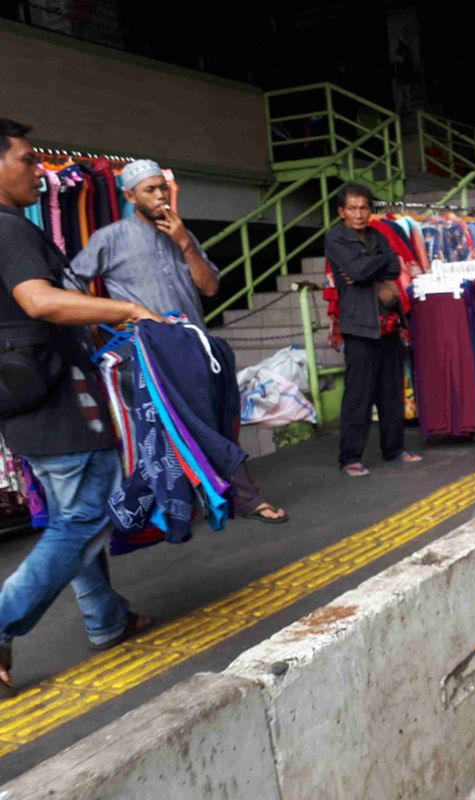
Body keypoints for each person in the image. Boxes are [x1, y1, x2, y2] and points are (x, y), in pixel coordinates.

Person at [0, 119, 161, 694]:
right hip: (57, 402)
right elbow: (39, 301)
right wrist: (126, 312)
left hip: (29, 403)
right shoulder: (10, 230)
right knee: (84, 518)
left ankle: (106, 621)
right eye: (24, 159)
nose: (38, 171)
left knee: (75, 515)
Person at [71, 160, 288, 524]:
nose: (159, 196)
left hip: (194, 346)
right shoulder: (110, 238)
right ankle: (245, 499)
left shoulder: (182, 234)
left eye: (162, 188)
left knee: (208, 421)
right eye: (149, 190)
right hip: (148, 353)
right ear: (129, 196)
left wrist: (185, 242)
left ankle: (159, 509)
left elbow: (210, 287)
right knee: (180, 428)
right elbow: (70, 285)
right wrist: (115, 315)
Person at [325, 184, 421, 477]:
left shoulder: (378, 234)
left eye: (363, 208)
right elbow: (358, 272)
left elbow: (394, 267)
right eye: (352, 209)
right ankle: (350, 457)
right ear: (341, 212)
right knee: (359, 395)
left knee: (391, 391)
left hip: (388, 323)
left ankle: (393, 448)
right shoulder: (336, 238)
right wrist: (369, 268)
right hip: (358, 325)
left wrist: (369, 267)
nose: (358, 214)